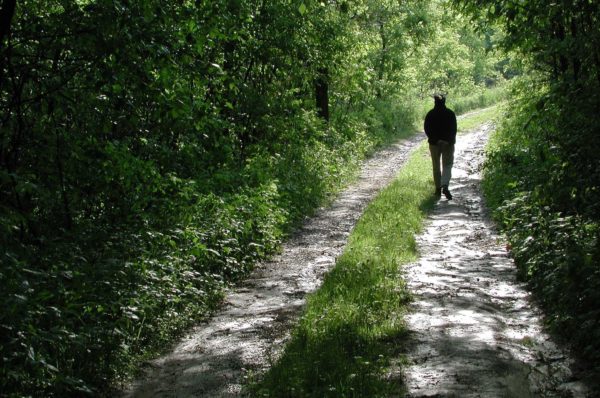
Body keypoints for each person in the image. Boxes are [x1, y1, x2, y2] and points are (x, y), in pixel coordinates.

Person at [424, 94, 457, 200]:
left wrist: (436, 140)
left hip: (434, 144)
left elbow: (427, 129)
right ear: (444, 102)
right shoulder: (450, 114)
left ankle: (438, 189)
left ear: (435, 102)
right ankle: (445, 185)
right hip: (448, 144)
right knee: (447, 165)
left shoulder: (430, 114)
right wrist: (448, 140)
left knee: (436, 165)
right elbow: (453, 129)